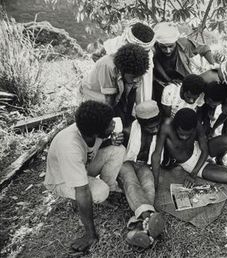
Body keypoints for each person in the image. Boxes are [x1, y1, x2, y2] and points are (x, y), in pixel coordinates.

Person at [44, 101, 126, 252]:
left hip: (83, 167)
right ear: (96, 132)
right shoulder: (69, 146)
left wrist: (109, 141)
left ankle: (107, 193)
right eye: (110, 124)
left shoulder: (91, 128)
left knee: (117, 149)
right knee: (100, 191)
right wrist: (90, 235)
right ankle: (97, 198)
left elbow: (92, 146)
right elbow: (82, 191)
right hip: (62, 180)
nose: (114, 124)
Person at [151, 108, 227, 189]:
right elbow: (156, 155)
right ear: (175, 126)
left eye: (188, 134)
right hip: (190, 162)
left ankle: (217, 160)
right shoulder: (166, 126)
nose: (184, 137)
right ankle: (211, 167)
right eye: (181, 134)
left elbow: (205, 151)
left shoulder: (196, 124)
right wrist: (155, 182)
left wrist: (193, 174)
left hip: (199, 149)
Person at [118, 100, 165, 248]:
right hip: (124, 163)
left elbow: (156, 157)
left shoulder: (161, 131)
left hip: (144, 165)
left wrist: (156, 178)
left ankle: (138, 229)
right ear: (140, 123)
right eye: (151, 128)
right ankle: (148, 216)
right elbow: (113, 154)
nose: (156, 129)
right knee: (131, 182)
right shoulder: (127, 131)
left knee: (149, 186)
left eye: (157, 125)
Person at [80, 43, 149, 128]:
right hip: (96, 95)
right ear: (123, 70)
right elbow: (108, 100)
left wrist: (129, 118)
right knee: (103, 122)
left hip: (115, 94)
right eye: (134, 77)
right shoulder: (107, 66)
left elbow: (132, 94)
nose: (137, 80)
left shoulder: (136, 68)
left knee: (125, 120)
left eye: (139, 76)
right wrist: (110, 125)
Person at [152, 22, 216, 104]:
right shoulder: (153, 48)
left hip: (182, 79)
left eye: (171, 46)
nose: (168, 50)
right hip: (160, 81)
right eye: (163, 47)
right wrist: (167, 79)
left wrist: (214, 66)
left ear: (175, 41)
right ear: (158, 43)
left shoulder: (184, 44)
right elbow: (155, 63)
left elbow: (204, 49)